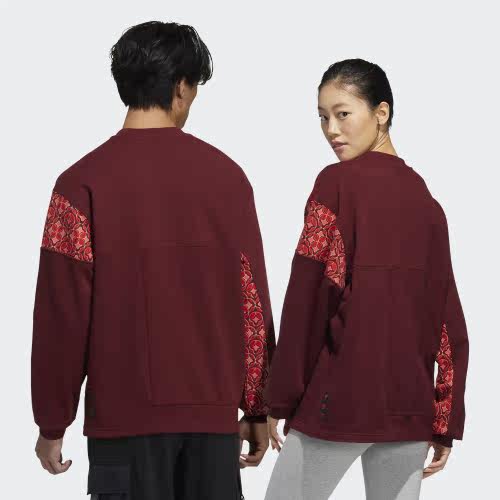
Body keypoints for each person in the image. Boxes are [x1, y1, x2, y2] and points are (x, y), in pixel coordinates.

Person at [31, 21, 275, 500]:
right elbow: (251, 299)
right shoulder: (228, 179)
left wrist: (52, 421)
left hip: (123, 426)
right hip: (211, 423)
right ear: (181, 88)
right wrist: (257, 406)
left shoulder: (79, 184)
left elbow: (62, 316)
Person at [263, 58, 469, 500]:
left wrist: (279, 399)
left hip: (338, 404)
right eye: (322, 117)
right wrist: (444, 419)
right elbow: (449, 322)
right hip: (409, 411)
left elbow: (307, 300)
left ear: (381, 112)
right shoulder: (429, 205)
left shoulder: (336, 185)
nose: (331, 130)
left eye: (343, 114)